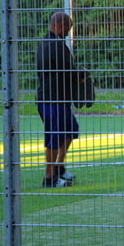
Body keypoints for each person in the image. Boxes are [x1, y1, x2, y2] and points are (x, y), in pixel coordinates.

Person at [36, 11, 89, 188]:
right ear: (59, 25)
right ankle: (49, 178)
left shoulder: (45, 43)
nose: (68, 32)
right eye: (67, 28)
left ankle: (58, 167)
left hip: (56, 99)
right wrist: (82, 75)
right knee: (54, 137)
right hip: (53, 100)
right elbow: (68, 72)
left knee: (71, 130)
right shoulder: (55, 46)